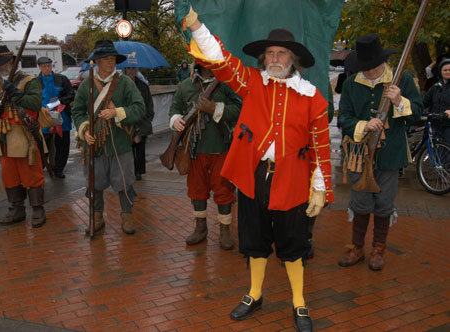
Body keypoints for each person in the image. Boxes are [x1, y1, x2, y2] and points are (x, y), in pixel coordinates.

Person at [183, 8, 334, 331]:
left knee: (294, 244)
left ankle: (298, 301)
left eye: (282, 53)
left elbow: (321, 147)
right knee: (255, 238)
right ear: (263, 59)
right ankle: (254, 293)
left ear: (293, 59)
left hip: (293, 181)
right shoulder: (250, 82)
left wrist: (320, 188)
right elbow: (220, 60)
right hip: (254, 177)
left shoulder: (313, 99)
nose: (275, 58)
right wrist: (196, 25)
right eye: (270, 54)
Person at [337, 33, 423, 271]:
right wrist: (363, 125)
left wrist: (399, 101)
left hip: (390, 153)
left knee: (384, 203)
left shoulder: (402, 79)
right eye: (366, 67)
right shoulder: (352, 83)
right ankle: (357, 247)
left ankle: (378, 248)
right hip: (358, 154)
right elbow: (343, 117)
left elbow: (417, 113)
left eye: (374, 67)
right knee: (360, 201)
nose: (371, 71)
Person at [72, 40, 145, 235]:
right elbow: (77, 111)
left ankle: (127, 216)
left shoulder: (125, 83)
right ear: (95, 62)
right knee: (94, 183)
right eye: (105, 59)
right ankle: (96, 217)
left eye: (112, 59)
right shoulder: (86, 84)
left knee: (124, 182)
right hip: (93, 144)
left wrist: (117, 113)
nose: (110, 63)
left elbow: (140, 108)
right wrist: (85, 130)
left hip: (120, 142)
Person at [169, 62, 241, 250]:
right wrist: (175, 119)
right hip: (194, 149)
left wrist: (216, 109)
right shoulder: (186, 85)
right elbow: (175, 107)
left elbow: (240, 108)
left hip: (221, 147)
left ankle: (225, 231)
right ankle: (200, 228)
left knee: (224, 190)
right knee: (196, 190)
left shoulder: (227, 83)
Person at [0, 45, 47, 228]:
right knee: (9, 174)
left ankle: (37, 209)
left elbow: (35, 104)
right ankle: (16, 209)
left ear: (11, 61)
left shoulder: (28, 81)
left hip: (25, 133)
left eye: (1, 64)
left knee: (31, 172)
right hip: (4, 135)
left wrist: (16, 94)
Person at [37, 56, 75, 178]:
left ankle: (58, 169)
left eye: (49, 66)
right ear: (40, 67)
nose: (47, 68)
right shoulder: (35, 82)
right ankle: (40, 168)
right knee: (42, 146)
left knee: (62, 146)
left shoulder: (62, 79)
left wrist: (58, 102)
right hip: (43, 119)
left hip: (62, 118)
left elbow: (71, 94)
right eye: (44, 66)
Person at [123, 67, 154, 180]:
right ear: (125, 70)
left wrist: (148, 118)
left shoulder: (143, 86)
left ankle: (139, 171)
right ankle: (129, 170)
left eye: (133, 69)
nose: (131, 71)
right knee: (128, 149)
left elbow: (149, 103)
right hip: (127, 123)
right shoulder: (121, 85)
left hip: (141, 122)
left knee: (140, 149)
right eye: (129, 69)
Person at [423, 58, 450, 143]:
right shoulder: (436, 87)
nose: (447, 72)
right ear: (441, 72)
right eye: (445, 70)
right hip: (435, 124)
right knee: (434, 151)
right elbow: (424, 102)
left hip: (448, 126)